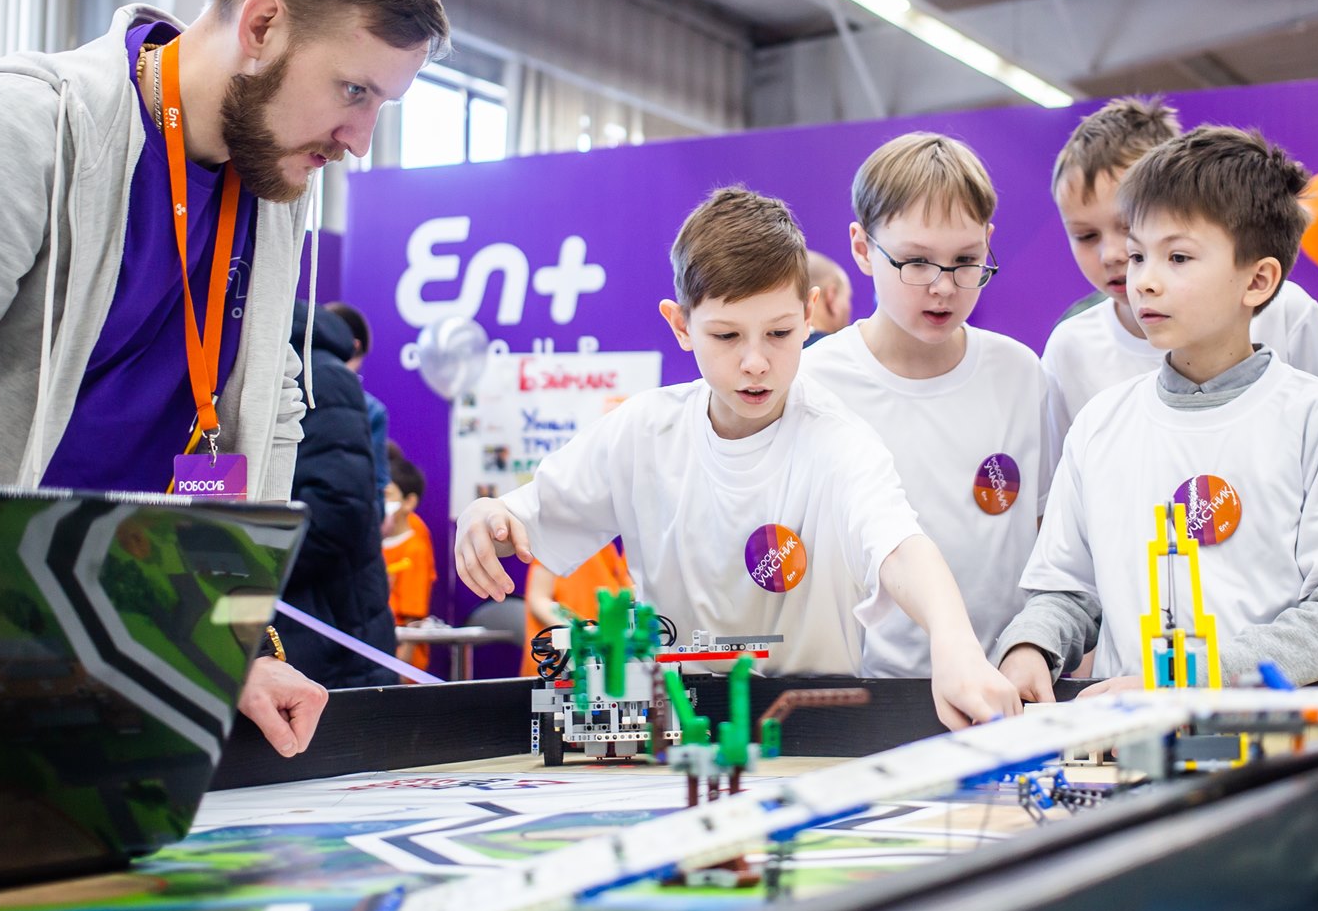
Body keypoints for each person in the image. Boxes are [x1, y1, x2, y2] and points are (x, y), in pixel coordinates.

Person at [0, 0, 446, 753]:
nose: (359, 139)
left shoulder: (275, 185)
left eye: (380, 106)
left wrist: (228, 645)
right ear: (261, 26)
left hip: (95, 653)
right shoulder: (29, 128)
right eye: (353, 90)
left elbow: (269, 418)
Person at [451, 187, 1020, 729]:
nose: (755, 362)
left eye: (779, 332)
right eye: (726, 336)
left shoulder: (839, 442)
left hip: (814, 732)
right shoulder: (642, 432)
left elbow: (899, 547)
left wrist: (955, 643)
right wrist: (487, 516)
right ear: (681, 325)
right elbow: (524, 516)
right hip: (674, 730)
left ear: (810, 314)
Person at [996, 128, 1318, 696]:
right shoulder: (1099, 424)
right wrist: (1028, 646)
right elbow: (1066, 590)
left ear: (1258, 280)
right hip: (1124, 742)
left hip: (1272, 741)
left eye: (1178, 257)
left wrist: (1181, 680)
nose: (1143, 280)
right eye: (1139, 255)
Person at [800, 132, 1052, 676]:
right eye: (916, 261)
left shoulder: (1020, 374)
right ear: (862, 249)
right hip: (864, 694)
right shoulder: (815, 384)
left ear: (988, 241)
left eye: (966, 260)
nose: (944, 287)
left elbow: (1047, 543)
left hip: (1004, 685)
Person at [1040, 95, 1318, 441]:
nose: (1112, 254)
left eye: (1129, 227)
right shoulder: (1070, 348)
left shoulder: (1286, 311)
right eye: (1086, 235)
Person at [281, 301, 397, 688]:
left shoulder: (321, 377)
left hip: (329, 632)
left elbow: (340, 507)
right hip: (301, 628)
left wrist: (249, 561)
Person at [522, 541, 635, 675]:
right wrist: (577, 632)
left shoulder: (605, 546)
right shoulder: (556, 542)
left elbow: (626, 595)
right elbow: (538, 600)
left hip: (598, 656)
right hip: (558, 661)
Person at [326, 301, 390, 503]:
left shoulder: (291, 391)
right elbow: (376, 481)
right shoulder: (371, 409)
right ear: (356, 346)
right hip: (344, 512)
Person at [382, 448, 436, 669]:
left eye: (387, 494)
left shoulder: (415, 548)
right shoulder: (374, 544)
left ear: (409, 502)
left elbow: (413, 619)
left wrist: (400, 670)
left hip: (400, 660)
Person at [803, 249, 853, 345]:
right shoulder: (842, 351)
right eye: (847, 298)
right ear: (831, 297)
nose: (849, 308)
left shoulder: (779, 350)